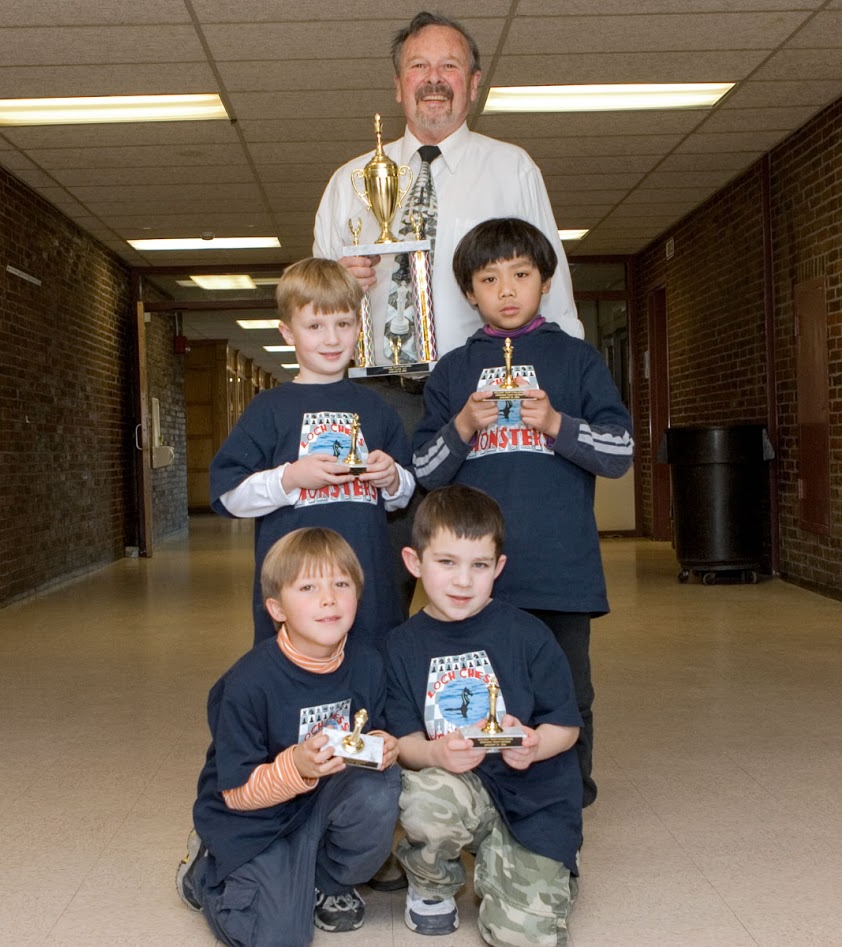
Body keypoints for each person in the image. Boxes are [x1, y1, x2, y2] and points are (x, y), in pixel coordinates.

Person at [411, 218, 634, 806]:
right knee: (480, 689)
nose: (506, 290)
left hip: (561, 569)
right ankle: (484, 804)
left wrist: (556, 424)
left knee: (567, 691)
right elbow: (425, 472)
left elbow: (620, 453)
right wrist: (463, 425)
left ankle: (568, 802)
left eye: (521, 274)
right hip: (475, 577)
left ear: (545, 279)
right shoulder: (454, 370)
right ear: (468, 293)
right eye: (489, 278)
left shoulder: (578, 360)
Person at [313, 10, 583, 373]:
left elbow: (555, 295)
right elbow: (312, 305)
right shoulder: (350, 181)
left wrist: (565, 381)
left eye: (449, 66)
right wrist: (337, 285)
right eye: (419, 66)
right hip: (379, 392)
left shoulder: (513, 169)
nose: (434, 79)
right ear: (398, 85)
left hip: (484, 388)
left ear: (474, 84)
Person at [176, 527, 401, 947]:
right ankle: (208, 871)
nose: (329, 598)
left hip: (323, 804)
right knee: (280, 937)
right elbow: (237, 793)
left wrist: (385, 745)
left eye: (341, 583)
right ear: (276, 608)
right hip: (254, 817)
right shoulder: (247, 684)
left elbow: (371, 732)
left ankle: (326, 880)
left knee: (382, 787)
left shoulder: (369, 664)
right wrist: (295, 765)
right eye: (309, 587)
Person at [385, 485, 583, 945]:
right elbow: (403, 742)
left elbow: (567, 726)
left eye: (479, 566)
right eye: (446, 562)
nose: (462, 581)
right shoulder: (398, 648)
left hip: (533, 797)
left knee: (524, 938)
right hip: (457, 786)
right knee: (426, 799)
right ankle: (432, 883)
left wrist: (535, 745)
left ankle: (529, 865)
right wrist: (434, 753)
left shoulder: (530, 636)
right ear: (415, 563)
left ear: (499, 567)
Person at [209, 257, 415, 646]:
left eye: (344, 324)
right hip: (295, 588)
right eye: (315, 326)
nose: (332, 339)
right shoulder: (269, 409)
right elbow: (228, 495)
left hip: (366, 585)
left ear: (359, 325)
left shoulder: (377, 408)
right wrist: (289, 479)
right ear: (288, 333)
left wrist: (392, 478)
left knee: (372, 680)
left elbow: (402, 495)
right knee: (297, 687)